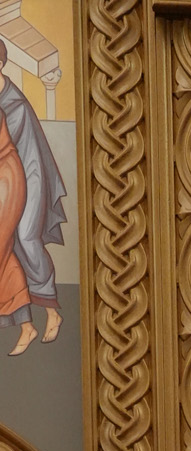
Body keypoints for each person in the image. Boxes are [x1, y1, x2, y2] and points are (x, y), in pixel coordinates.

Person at [0, 42, 65, 355]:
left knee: (26, 239)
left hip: (27, 177)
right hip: (5, 180)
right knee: (6, 245)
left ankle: (51, 310)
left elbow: (29, 160)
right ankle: (25, 321)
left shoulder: (17, 107)